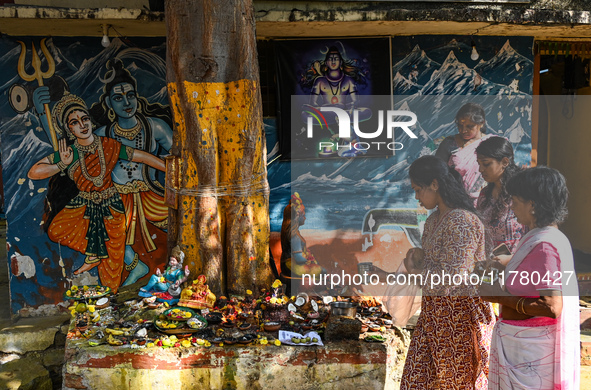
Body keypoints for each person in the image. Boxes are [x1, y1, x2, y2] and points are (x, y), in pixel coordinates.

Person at [27, 92, 166, 293]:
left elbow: (141, 157)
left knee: (111, 267)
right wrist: (61, 164)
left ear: (90, 121)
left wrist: (168, 168)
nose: (82, 125)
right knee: (57, 229)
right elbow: (34, 172)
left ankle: (112, 295)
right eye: (75, 122)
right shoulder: (70, 152)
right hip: (84, 206)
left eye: (84, 119)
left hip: (112, 207)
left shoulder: (108, 145)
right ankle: (98, 252)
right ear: (69, 129)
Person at [479, 167, 579, 389]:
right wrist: (503, 263)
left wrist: (500, 297)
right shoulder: (540, 237)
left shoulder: (545, 244)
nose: (512, 207)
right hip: (522, 351)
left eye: (515, 200)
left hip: (530, 357)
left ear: (532, 205)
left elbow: (552, 305)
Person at [400, 155, 495, 390]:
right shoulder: (433, 221)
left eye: (418, 189)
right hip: (434, 315)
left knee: (456, 383)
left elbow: (454, 277)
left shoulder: (462, 221)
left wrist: (415, 270)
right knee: (416, 381)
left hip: (458, 319)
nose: (416, 197)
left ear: (435, 184)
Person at [90, 59, 173, 286]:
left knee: (181, 218)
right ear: (108, 102)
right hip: (117, 198)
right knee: (99, 225)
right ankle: (135, 266)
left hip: (151, 194)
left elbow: (179, 158)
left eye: (131, 95)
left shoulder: (154, 126)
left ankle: (175, 273)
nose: (126, 102)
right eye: (118, 98)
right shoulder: (101, 134)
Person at [475, 136, 527, 262]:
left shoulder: (523, 192)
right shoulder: (484, 194)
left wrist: (511, 260)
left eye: (486, 164)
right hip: (490, 266)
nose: (481, 170)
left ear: (504, 162)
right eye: (479, 164)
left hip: (519, 264)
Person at [435, 103, 493, 202]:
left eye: (470, 126)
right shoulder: (449, 144)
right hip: (454, 200)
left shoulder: (491, 143)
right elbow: (438, 172)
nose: (463, 130)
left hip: (484, 201)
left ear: (481, 123)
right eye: (460, 125)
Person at [280, 192, 323, 278]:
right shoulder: (294, 236)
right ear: (297, 216)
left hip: (290, 264)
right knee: (320, 270)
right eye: (303, 215)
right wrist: (309, 260)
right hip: (291, 265)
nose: (305, 217)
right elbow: (299, 258)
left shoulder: (294, 233)